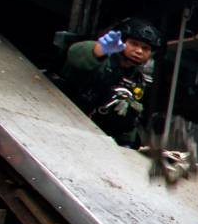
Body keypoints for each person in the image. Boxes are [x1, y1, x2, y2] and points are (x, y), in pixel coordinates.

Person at [59, 18, 162, 147]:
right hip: (64, 122)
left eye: (145, 48)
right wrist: (98, 50)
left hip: (97, 139)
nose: (139, 51)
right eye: (134, 43)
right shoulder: (100, 57)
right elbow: (76, 55)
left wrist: (127, 145)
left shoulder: (138, 80)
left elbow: (129, 119)